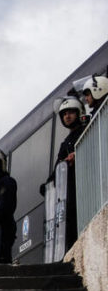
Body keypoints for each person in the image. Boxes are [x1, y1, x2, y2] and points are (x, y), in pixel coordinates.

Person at [40, 96, 86, 248]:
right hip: (69, 195)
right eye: (64, 114)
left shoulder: (87, 129)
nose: (67, 116)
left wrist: (78, 153)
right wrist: (47, 186)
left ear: (78, 112)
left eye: (71, 112)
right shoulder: (65, 143)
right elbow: (57, 168)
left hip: (84, 188)